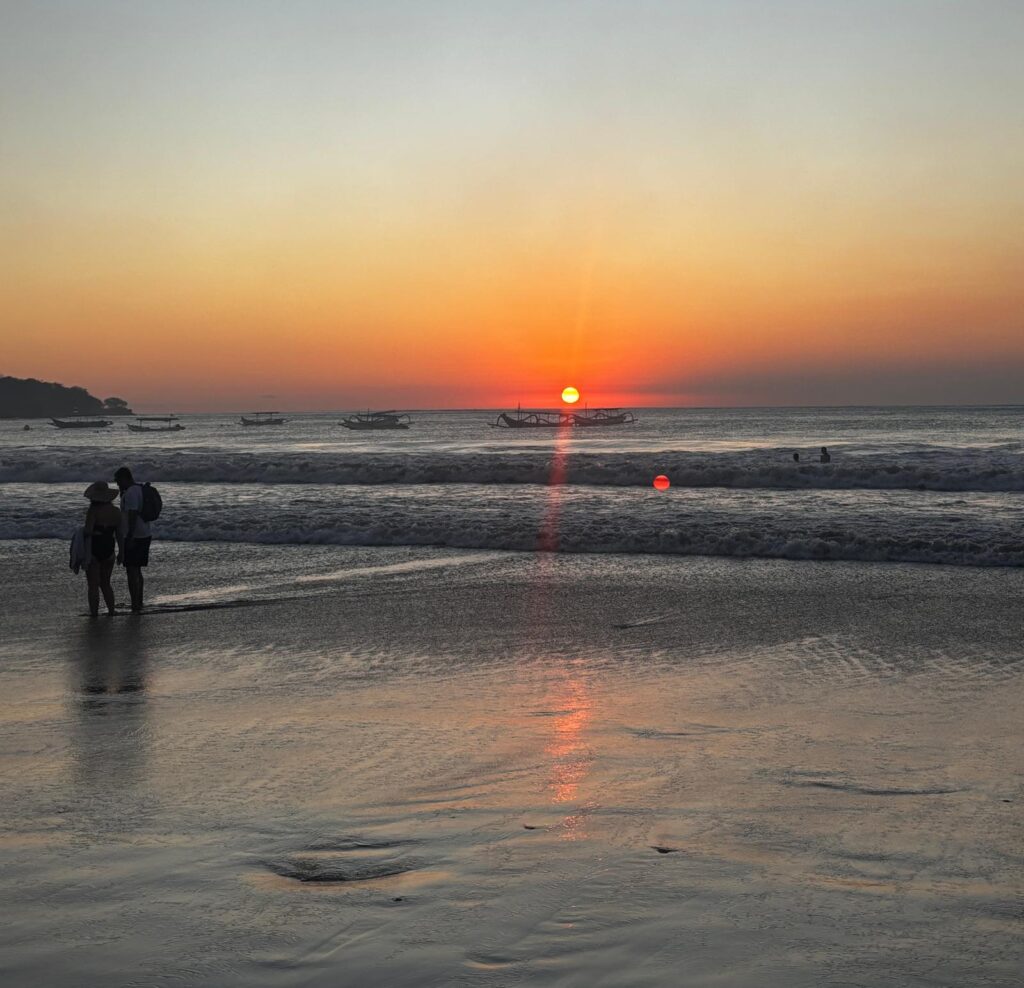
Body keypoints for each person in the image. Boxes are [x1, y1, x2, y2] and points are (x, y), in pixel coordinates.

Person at [114, 466, 152, 612]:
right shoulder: (138, 489)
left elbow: (133, 514)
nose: (117, 484)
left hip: (135, 536)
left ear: (124, 478)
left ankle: (135, 603)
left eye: (118, 481)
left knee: (131, 570)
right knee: (137, 570)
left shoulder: (130, 493)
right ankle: (139, 600)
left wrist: (129, 536)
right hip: (145, 533)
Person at [82, 481, 123, 617]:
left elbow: (88, 531)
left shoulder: (93, 511)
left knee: (93, 584)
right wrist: (121, 552)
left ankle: (94, 614)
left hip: (94, 547)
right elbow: (119, 535)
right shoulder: (116, 512)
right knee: (106, 583)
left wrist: (87, 533)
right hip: (109, 548)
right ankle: (111, 611)